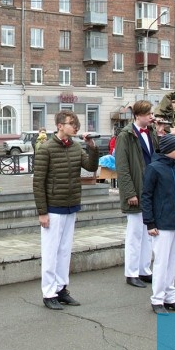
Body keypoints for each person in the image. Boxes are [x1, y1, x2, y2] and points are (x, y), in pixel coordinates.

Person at [32, 110, 99, 310]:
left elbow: (90, 165)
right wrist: (42, 212)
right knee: (51, 253)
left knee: (64, 252)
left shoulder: (76, 146)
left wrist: (92, 148)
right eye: (71, 124)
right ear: (60, 125)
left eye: (76, 124)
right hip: (53, 208)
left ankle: (61, 289)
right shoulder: (46, 148)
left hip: (71, 205)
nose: (75, 127)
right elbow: (38, 183)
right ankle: (48, 293)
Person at [141, 134, 175, 314]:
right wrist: (150, 223)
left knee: (173, 263)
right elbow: (146, 196)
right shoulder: (154, 169)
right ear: (169, 150)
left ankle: (170, 297)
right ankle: (157, 299)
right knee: (161, 263)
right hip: (161, 224)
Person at [114, 100, 156, 289]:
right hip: (136, 189)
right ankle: (131, 272)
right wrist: (130, 192)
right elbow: (122, 167)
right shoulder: (126, 135)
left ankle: (144, 269)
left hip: (150, 188)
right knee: (135, 234)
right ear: (138, 115)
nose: (151, 117)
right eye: (148, 114)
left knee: (148, 232)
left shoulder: (152, 133)